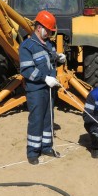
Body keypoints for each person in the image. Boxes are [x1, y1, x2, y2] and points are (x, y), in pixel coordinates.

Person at [19, 10, 66, 165]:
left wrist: (59, 58)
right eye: (48, 30)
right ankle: (32, 151)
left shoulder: (48, 44)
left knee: (48, 118)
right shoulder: (27, 46)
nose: (50, 33)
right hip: (36, 90)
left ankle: (46, 146)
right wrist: (44, 78)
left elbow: (51, 60)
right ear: (39, 27)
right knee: (36, 119)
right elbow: (26, 70)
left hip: (49, 89)